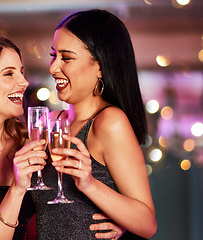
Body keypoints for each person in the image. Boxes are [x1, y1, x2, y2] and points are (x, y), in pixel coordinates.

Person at [0, 32, 127, 240]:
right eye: (9, 73)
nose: (23, 82)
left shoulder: (26, 142)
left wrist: (113, 222)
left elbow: (65, 199)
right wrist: (17, 188)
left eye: (21, 72)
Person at [32, 9, 157, 239]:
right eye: (53, 55)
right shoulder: (48, 124)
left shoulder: (109, 122)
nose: (53, 67)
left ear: (100, 66)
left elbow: (147, 223)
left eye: (66, 58)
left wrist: (89, 185)